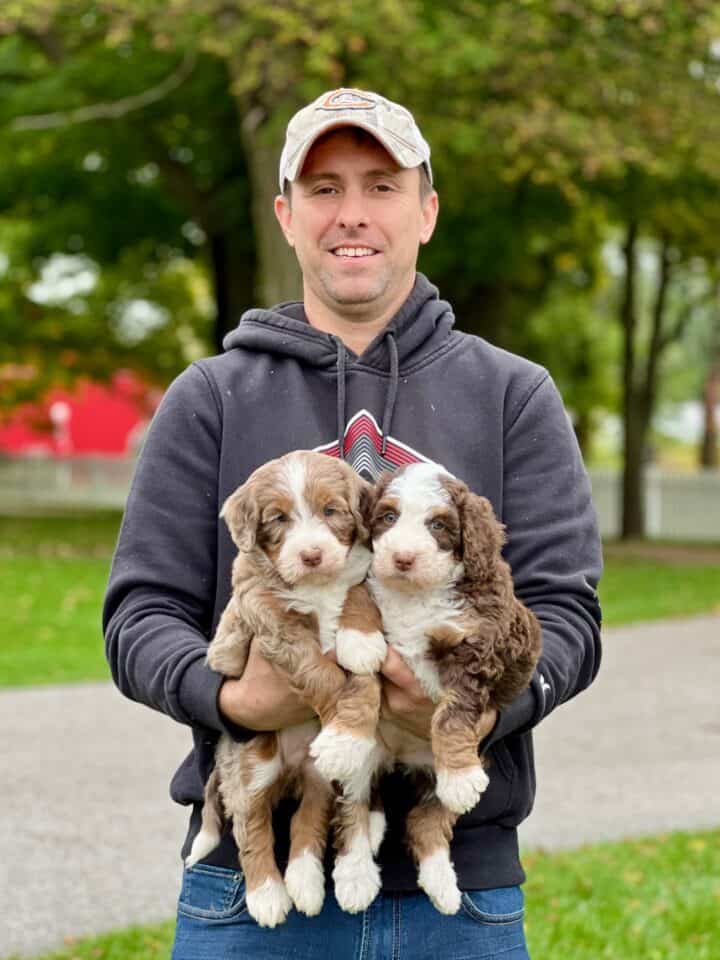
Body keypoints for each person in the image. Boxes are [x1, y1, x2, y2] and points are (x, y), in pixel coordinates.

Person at [103, 88, 602, 960]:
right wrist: (233, 698)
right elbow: (137, 615)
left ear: (428, 211)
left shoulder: (514, 395)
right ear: (286, 214)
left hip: (460, 891)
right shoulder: (210, 398)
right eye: (325, 188)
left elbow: (569, 619)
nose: (352, 214)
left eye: (381, 184)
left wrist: (478, 709)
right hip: (248, 893)